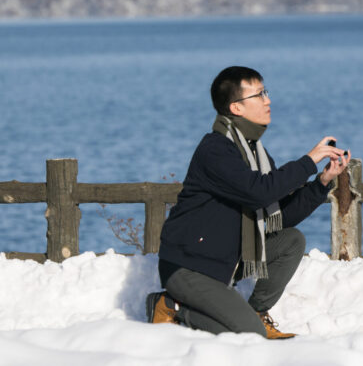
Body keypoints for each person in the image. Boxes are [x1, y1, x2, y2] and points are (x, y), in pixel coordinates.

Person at [146, 66, 349, 339]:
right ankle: (173, 307)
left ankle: (255, 312)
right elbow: (259, 192)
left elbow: (280, 214)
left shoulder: (255, 152)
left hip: (225, 258)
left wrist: (321, 183)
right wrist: (308, 161)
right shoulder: (216, 150)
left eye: (266, 92)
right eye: (259, 94)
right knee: (250, 338)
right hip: (190, 267)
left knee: (290, 241)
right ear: (236, 107)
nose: (268, 100)